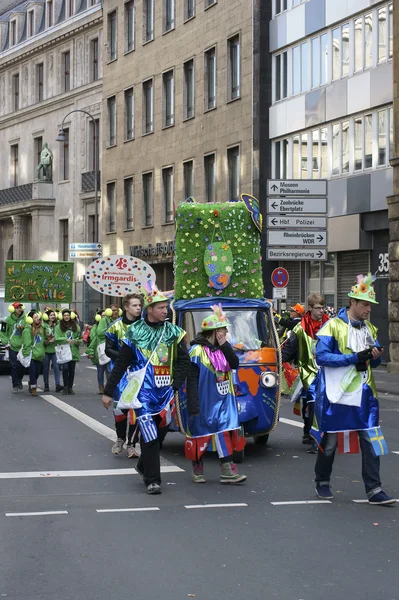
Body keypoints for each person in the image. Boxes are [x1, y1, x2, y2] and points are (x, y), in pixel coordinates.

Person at [313, 273, 395, 505]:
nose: (369, 309)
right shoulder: (332, 327)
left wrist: (375, 356)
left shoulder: (370, 330)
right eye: (365, 305)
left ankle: (374, 489)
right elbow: (322, 357)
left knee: (371, 439)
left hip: (365, 395)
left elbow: (375, 363)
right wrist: (353, 358)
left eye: (371, 305)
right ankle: (322, 482)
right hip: (336, 394)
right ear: (353, 302)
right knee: (329, 442)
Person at [102, 282, 189, 495]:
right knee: (149, 436)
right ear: (149, 309)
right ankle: (153, 479)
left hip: (165, 393)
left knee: (159, 435)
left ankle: (143, 465)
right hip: (143, 394)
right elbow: (122, 363)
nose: (164, 310)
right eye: (160, 307)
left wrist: (175, 385)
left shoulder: (174, 332)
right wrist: (108, 391)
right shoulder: (134, 332)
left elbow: (184, 362)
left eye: (166, 307)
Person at [185, 304, 247, 485]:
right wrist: (193, 404)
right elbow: (192, 380)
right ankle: (197, 469)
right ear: (214, 332)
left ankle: (228, 470)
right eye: (223, 330)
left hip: (224, 400)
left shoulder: (223, 349)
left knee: (225, 432)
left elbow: (234, 363)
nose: (226, 333)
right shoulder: (196, 351)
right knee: (199, 435)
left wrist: (224, 344)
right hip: (204, 401)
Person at [282, 294, 328, 451]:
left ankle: (319, 434)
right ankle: (314, 438)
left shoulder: (330, 325)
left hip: (328, 373)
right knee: (314, 404)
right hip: (309, 374)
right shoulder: (300, 328)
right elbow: (289, 349)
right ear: (310, 308)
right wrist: (276, 359)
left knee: (326, 406)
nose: (321, 311)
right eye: (318, 308)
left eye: (323, 307)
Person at [105, 293, 143, 459]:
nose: (138, 308)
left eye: (139, 305)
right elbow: (108, 349)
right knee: (120, 408)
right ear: (126, 307)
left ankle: (132, 444)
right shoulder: (115, 327)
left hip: (138, 373)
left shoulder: (145, 327)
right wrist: (122, 358)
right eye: (134, 305)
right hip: (120, 372)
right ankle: (120, 438)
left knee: (136, 407)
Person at [0, 302, 26, 393]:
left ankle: (19, 379)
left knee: (22, 365)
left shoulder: (25, 319)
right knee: (14, 366)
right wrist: (6, 342)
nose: (19, 309)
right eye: (17, 308)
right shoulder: (7, 320)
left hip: (22, 346)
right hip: (12, 346)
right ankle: (15, 384)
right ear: (13, 309)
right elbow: (3, 333)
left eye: (20, 308)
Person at [55, 309, 81, 395]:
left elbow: (79, 337)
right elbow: (57, 338)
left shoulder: (75, 326)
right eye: (65, 315)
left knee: (72, 370)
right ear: (62, 316)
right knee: (65, 368)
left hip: (73, 350)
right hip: (64, 351)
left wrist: (77, 341)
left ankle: (70, 387)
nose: (66, 317)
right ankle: (65, 386)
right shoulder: (59, 326)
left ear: (70, 316)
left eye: (68, 315)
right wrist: (65, 340)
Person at [21, 310, 46, 397]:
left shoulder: (42, 327)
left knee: (38, 372)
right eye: (35, 317)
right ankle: (33, 388)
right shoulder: (27, 330)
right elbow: (26, 343)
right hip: (31, 354)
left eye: (37, 317)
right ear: (30, 319)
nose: (37, 319)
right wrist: (26, 354)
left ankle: (31, 382)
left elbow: (45, 337)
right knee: (32, 371)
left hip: (40, 354)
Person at [87, 311, 110, 395]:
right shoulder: (95, 327)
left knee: (109, 370)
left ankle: (109, 388)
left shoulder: (110, 324)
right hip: (99, 351)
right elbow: (93, 339)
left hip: (107, 351)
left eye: (105, 315)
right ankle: (101, 387)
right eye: (102, 316)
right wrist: (91, 352)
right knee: (100, 371)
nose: (104, 317)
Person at [42, 309, 62, 393]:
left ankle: (58, 385)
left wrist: (55, 338)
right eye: (50, 315)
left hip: (55, 349)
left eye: (53, 315)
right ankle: (46, 385)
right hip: (46, 350)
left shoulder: (57, 325)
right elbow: (41, 336)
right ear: (47, 316)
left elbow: (60, 334)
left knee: (56, 368)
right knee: (45, 368)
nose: (53, 316)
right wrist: (45, 341)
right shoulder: (43, 325)